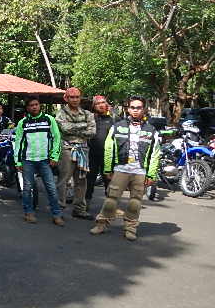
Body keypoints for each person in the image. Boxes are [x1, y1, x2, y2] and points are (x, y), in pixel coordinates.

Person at [90, 96, 160, 241]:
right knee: (111, 199)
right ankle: (101, 224)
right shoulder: (118, 126)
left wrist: (151, 175)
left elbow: (155, 153)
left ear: (144, 109)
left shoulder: (151, 130)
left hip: (140, 171)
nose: (135, 110)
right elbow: (109, 148)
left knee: (135, 202)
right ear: (128, 109)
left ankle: (130, 228)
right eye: (133, 107)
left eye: (139, 107)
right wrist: (108, 169)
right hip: (121, 169)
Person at [14, 96, 63, 225]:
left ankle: (56, 214)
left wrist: (55, 156)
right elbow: (18, 143)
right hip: (28, 160)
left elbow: (56, 138)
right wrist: (17, 161)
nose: (34, 107)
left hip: (45, 159)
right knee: (27, 188)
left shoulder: (49, 119)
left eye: (36, 104)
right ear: (27, 108)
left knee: (51, 188)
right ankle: (28, 213)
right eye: (31, 105)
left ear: (39, 105)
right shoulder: (23, 123)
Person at [55, 87, 96, 219]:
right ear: (66, 98)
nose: (75, 99)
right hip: (67, 149)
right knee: (64, 180)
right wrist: (83, 126)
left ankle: (79, 209)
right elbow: (65, 129)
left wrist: (73, 127)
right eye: (71, 97)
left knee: (81, 180)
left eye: (77, 97)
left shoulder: (87, 114)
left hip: (83, 149)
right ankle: (58, 209)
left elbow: (92, 132)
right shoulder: (61, 113)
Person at [86, 95, 114, 203]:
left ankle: (110, 206)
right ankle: (85, 205)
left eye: (103, 102)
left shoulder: (113, 119)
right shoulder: (90, 119)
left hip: (108, 157)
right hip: (91, 155)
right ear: (94, 106)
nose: (101, 105)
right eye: (98, 103)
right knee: (89, 181)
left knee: (109, 181)